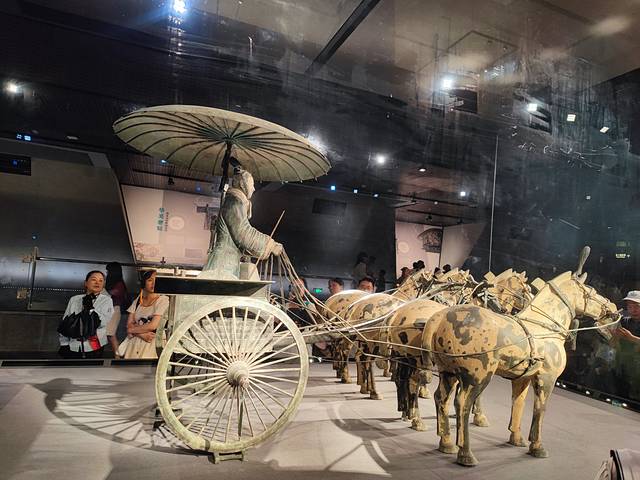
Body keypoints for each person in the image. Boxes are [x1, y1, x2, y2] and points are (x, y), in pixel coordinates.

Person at [202, 169, 283, 279]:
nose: (253, 189)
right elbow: (243, 233)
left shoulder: (235, 201)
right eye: (251, 185)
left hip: (228, 262)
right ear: (242, 184)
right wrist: (269, 244)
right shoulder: (234, 203)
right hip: (223, 264)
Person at [58, 271, 114, 359]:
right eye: (94, 279)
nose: (97, 283)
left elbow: (103, 323)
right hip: (73, 345)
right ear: (86, 283)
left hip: (94, 346)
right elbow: (65, 322)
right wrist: (64, 343)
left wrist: (90, 309)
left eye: (101, 281)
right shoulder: (74, 299)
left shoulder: (107, 300)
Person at [120, 270, 169, 359]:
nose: (153, 283)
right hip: (134, 343)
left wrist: (131, 330)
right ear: (144, 283)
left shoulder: (163, 300)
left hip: (152, 343)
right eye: (150, 280)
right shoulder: (138, 300)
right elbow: (129, 324)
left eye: (157, 280)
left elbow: (153, 325)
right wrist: (141, 335)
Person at [612, 290, 640, 399]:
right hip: (621, 366)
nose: (633, 310)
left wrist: (631, 338)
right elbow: (613, 343)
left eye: (637, 306)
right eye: (630, 307)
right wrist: (614, 335)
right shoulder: (624, 321)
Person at [105, 262, 129, 357]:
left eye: (108, 271)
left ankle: (117, 355)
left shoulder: (118, 284)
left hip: (115, 309)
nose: (107, 273)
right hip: (112, 309)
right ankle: (117, 355)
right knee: (111, 334)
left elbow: (114, 293)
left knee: (111, 334)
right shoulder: (118, 283)